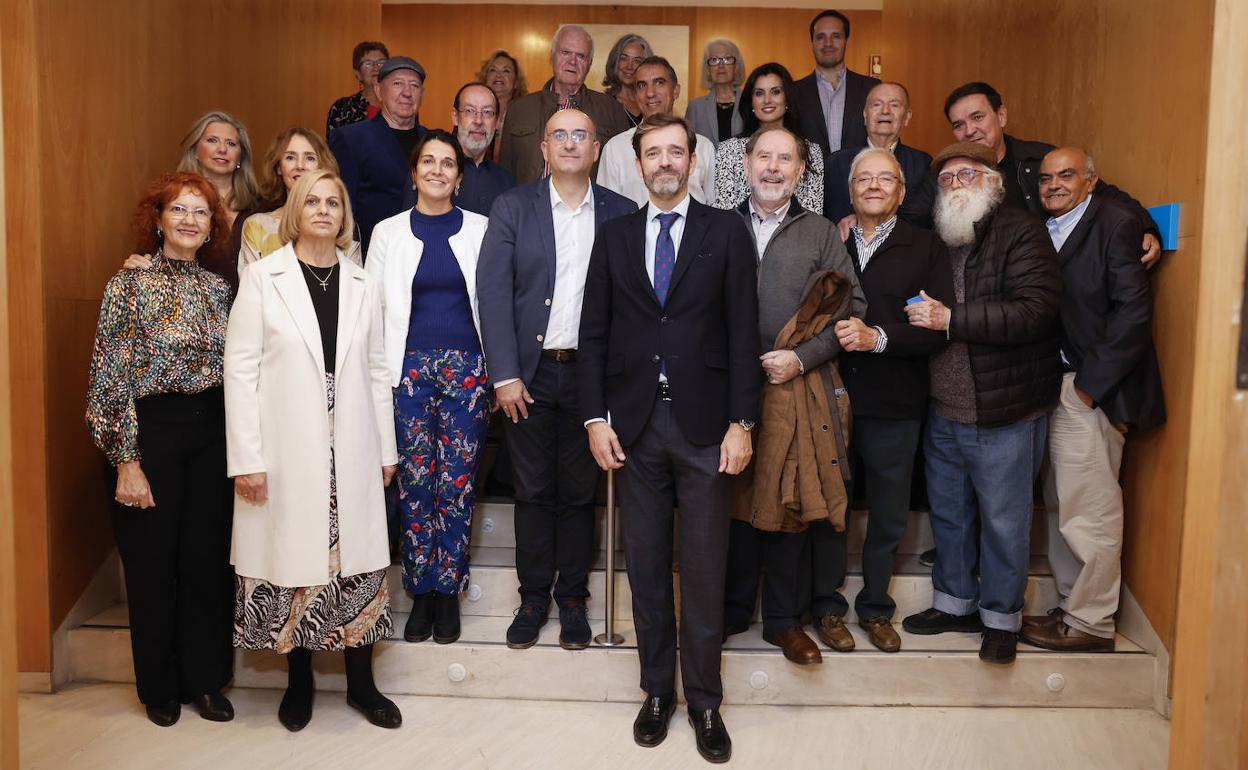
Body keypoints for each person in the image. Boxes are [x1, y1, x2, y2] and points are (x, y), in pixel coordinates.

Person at [579, 114, 759, 764]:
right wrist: (595, 418)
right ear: (638, 160)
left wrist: (744, 422)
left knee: (706, 569)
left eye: (674, 151)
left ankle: (705, 700)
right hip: (633, 426)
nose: (664, 162)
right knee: (648, 568)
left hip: (708, 426)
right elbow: (594, 332)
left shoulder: (727, 232)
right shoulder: (616, 235)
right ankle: (657, 692)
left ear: (692, 160)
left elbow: (745, 333)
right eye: (652, 152)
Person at [226, 169, 400, 731]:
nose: (324, 210)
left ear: (345, 214)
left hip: (352, 441)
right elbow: (240, 369)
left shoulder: (362, 280)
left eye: (334, 202)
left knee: (356, 566)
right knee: (294, 565)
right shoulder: (264, 278)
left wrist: (386, 448)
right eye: (313, 201)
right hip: (284, 446)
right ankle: (297, 684)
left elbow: (377, 369)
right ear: (295, 211)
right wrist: (247, 458)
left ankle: (362, 686)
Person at [477, 109, 636, 650]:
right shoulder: (512, 207)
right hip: (529, 376)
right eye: (559, 135)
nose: (570, 143)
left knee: (577, 491)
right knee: (533, 490)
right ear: (544, 149)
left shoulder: (621, 213)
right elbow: (493, 295)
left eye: (581, 135)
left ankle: (573, 600)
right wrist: (504, 375)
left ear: (596, 150)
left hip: (592, 375)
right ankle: (532, 596)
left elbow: (632, 306)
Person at [901, 142, 1062, 665]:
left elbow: (1034, 312)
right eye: (945, 180)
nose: (955, 186)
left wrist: (952, 320)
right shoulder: (939, 240)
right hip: (944, 408)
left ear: (992, 182)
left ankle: (1000, 618)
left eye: (966, 175)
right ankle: (954, 604)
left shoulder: (1021, 231)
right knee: (949, 515)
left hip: (1005, 411)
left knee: (1004, 521)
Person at [85, 171, 235, 727]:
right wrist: (126, 460)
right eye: (180, 210)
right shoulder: (127, 284)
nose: (190, 220)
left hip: (210, 434)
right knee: (152, 567)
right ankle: (159, 685)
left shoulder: (219, 290)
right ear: (158, 219)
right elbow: (108, 378)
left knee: (204, 564)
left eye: (200, 212)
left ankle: (204, 680)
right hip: (148, 435)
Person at [723, 126, 864, 667]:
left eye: (786, 158)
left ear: (802, 170)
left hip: (795, 384)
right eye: (764, 157)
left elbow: (854, 308)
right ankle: (732, 610)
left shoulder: (821, 232)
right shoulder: (717, 224)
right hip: (724, 386)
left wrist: (800, 358)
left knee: (789, 498)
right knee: (730, 498)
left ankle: (783, 621)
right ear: (747, 163)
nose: (774, 167)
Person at [1021, 147, 1165, 651]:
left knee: (1091, 510)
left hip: (1093, 391)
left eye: (1066, 176)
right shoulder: (1047, 226)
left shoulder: (1116, 223)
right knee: (1065, 503)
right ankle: (1071, 608)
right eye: (1045, 178)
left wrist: (1088, 388)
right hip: (1056, 385)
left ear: (1091, 181)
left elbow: (1132, 315)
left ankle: (1090, 623)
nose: (1054, 185)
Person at [811, 147, 953, 653]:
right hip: (830, 398)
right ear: (850, 192)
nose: (873, 186)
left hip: (896, 400)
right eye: (863, 179)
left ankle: (875, 608)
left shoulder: (926, 247)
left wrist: (880, 338)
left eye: (884, 179)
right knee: (832, 507)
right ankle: (826, 608)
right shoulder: (829, 239)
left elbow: (936, 328)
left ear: (901, 190)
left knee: (890, 512)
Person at [366, 131, 491, 648]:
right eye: (428, 162)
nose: (437, 170)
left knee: (456, 487)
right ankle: (420, 591)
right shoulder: (387, 233)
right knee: (416, 485)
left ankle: (448, 591)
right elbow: (371, 314)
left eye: (447, 163)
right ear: (414, 173)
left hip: (467, 371)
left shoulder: (483, 230)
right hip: (408, 371)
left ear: (459, 178)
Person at [944, 81, 1161, 267]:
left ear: (1001, 116)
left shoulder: (1041, 160)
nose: (969, 130)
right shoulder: (948, 180)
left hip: (1049, 280)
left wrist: (1146, 227)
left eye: (978, 117)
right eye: (958, 125)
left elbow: (1102, 192)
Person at [498, 25, 631, 185]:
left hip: (592, 207)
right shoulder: (519, 109)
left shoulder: (611, 109)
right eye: (565, 52)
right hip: (530, 208)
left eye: (581, 56)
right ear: (551, 57)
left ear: (589, 64)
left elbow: (626, 171)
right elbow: (504, 174)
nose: (572, 61)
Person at [329, 55, 427, 256]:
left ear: (422, 95)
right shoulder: (351, 138)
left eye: (415, 86)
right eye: (398, 84)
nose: (407, 93)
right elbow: (343, 206)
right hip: (372, 255)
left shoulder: (433, 142)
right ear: (379, 90)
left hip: (425, 255)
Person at [597, 56, 717, 206]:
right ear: (635, 95)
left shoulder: (703, 147)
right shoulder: (615, 149)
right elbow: (607, 209)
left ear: (676, 91)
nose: (650, 93)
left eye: (659, 83)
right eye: (642, 85)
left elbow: (713, 207)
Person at [238, 126, 361, 271]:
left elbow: (356, 287)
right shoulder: (256, 226)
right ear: (278, 167)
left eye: (309, 158)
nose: (300, 166)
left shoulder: (340, 224)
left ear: (321, 166)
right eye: (290, 157)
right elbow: (251, 288)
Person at [712, 63, 825, 214]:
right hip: (740, 236)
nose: (767, 100)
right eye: (759, 93)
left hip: (798, 236)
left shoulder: (811, 151)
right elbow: (725, 214)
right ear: (751, 101)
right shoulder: (729, 150)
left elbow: (813, 214)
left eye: (775, 92)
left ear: (787, 98)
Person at [826, 81, 935, 229]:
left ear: (907, 117)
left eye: (894, 105)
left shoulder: (922, 163)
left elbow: (922, 217)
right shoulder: (836, 162)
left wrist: (865, 220)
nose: (885, 111)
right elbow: (827, 215)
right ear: (865, 116)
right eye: (877, 105)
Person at [176, 111, 260, 291]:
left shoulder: (261, 206)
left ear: (240, 156)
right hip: (198, 312)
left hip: (254, 313)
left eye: (231, 143)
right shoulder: (174, 203)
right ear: (195, 151)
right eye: (212, 140)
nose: (222, 149)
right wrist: (140, 260)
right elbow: (151, 254)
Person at [795, 9, 880, 158]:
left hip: (859, 178)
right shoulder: (794, 92)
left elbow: (885, 138)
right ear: (812, 42)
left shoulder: (872, 88)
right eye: (821, 37)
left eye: (836, 36)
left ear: (846, 40)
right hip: (809, 179)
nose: (828, 43)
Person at [450, 82, 516, 216]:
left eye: (487, 113)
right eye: (469, 111)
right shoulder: (432, 172)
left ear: (497, 121)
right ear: (455, 116)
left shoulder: (506, 181)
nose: (479, 121)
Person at [685, 39, 745, 146]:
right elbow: (688, 146)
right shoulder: (695, 107)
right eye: (714, 60)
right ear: (707, 69)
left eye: (727, 59)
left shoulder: (749, 102)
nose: (721, 65)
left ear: (736, 66)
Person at [326, 41, 390, 137]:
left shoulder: (402, 104)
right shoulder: (342, 108)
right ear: (358, 74)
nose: (376, 67)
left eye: (381, 63)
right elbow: (332, 148)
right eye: (368, 63)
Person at [476, 50, 527, 160]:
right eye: (493, 70)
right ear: (485, 79)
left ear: (516, 82)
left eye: (506, 71)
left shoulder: (526, 117)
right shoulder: (472, 113)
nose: (498, 75)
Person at [602, 33, 652, 127]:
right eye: (623, 59)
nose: (629, 66)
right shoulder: (604, 105)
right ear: (615, 62)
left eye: (637, 61)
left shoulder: (654, 102)